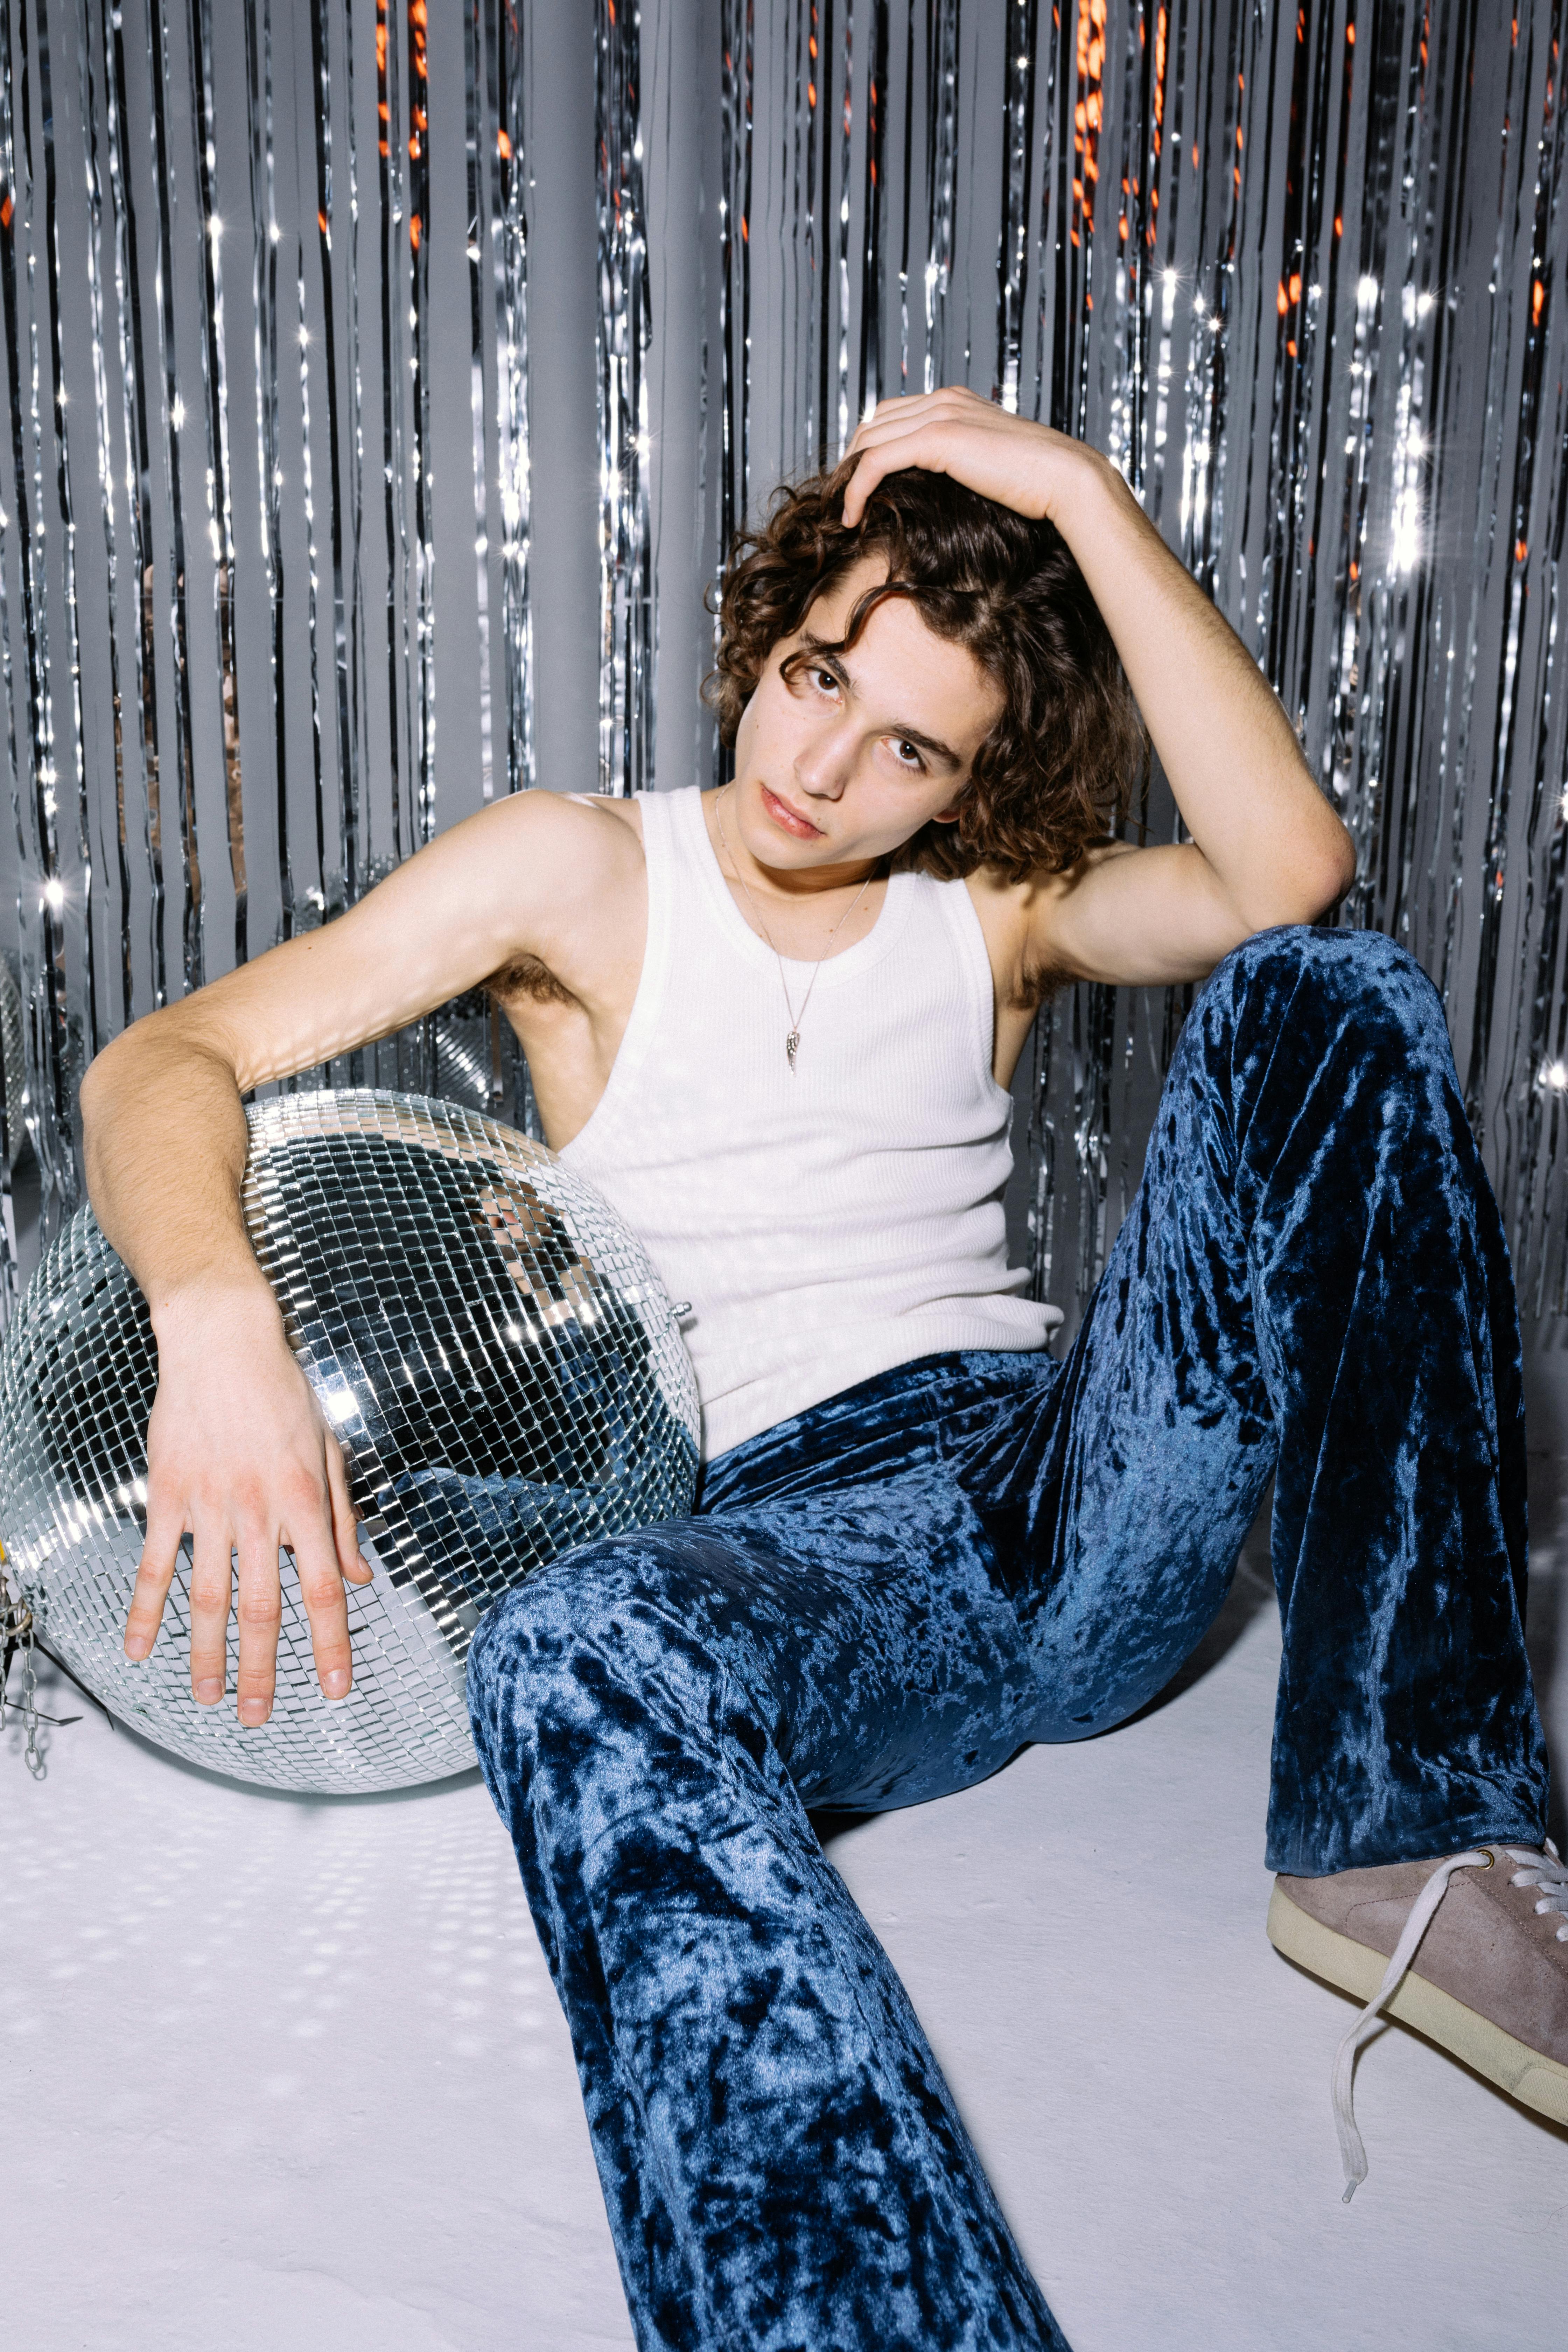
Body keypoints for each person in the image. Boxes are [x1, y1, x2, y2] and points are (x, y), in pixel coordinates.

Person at [82, 388, 1565, 2351]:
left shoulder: (996, 904)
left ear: (966, 782)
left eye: (909, 748)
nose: (823, 766)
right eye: (812, 676)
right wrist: (214, 1319)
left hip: (1077, 1485)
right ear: (766, 633)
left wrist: (1080, 498)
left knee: (1329, 992)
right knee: (572, 1644)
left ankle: (1405, 1837)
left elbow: (1284, 872)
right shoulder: (584, 871)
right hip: (810, 1554)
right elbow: (158, 1062)